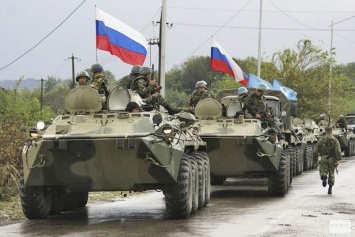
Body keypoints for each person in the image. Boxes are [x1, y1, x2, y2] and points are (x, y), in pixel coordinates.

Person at [313, 127, 342, 194]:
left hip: (323, 158)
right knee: (331, 173)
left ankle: (324, 177)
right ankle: (330, 188)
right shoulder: (335, 140)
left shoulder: (321, 139)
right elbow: (338, 151)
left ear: (325, 131)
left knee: (323, 170)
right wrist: (338, 159)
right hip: (332, 159)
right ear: (331, 132)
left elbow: (315, 151)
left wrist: (315, 160)